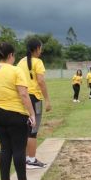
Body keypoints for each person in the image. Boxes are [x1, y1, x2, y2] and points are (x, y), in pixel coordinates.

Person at [0, 42, 39, 180]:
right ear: (11, 55)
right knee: (19, 148)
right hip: (14, 113)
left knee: (5, 148)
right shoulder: (15, 71)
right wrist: (32, 114)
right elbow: (23, 94)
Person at [17, 38, 52, 169]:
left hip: (22, 98)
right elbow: (41, 81)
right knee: (33, 129)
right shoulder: (38, 62)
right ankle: (31, 160)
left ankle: (26, 158)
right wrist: (47, 100)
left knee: (25, 129)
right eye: (40, 48)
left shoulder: (20, 62)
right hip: (34, 98)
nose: (41, 51)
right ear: (37, 48)